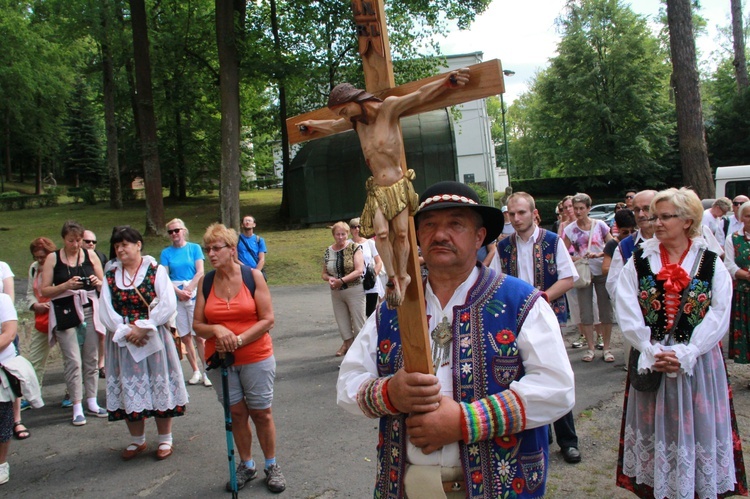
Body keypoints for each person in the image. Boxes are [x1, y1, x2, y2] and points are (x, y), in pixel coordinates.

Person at [337, 181, 575, 498]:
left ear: (479, 236)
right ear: (418, 236)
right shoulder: (393, 308)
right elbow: (347, 383)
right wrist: (391, 392)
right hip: (408, 488)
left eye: (455, 224)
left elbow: (557, 387)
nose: (439, 235)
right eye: (430, 225)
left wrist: (465, 421)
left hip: (499, 488)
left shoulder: (521, 301)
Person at [297, 69, 470, 308]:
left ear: (356, 99)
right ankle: (391, 277)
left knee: (400, 233)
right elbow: (334, 126)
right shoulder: (356, 124)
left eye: (345, 109)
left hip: (398, 184)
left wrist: (447, 83)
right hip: (377, 188)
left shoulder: (388, 109)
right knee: (381, 233)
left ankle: (403, 275)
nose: (345, 115)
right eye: (341, 113)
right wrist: (312, 125)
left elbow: (419, 96)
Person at [614, 187, 747, 498]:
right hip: (653, 357)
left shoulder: (710, 261)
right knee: (656, 428)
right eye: (654, 216)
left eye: (665, 217)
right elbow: (627, 308)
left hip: (697, 362)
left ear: (687, 221)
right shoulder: (640, 260)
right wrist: (650, 348)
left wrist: (689, 350)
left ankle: (695, 486)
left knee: (696, 426)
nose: (655, 222)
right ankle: (661, 485)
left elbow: (719, 312)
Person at [193, 223, 286, 493]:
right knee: (235, 413)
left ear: (232, 250)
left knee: (261, 413)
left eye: (216, 248)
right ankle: (247, 464)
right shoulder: (206, 282)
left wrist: (239, 339)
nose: (211, 254)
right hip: (220, 360)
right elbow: (197, 325)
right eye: (207, 248)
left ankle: (271, 464)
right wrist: (216, 329)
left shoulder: (253, 277)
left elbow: (268, 319)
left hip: (256, 356)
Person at [490, 192, 581, 465]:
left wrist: (540, 300)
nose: (516, 219)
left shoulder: (553, 241)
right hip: (515, 321)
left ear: (534, 213)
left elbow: (568, 277)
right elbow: (496, 280)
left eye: (521, 213)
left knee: (553, 374)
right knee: (522, 376)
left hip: (546, 316)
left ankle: (568, 441)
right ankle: (541, 438)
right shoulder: (504, 247)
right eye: (512, 214)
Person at [98, 226, 188, 461]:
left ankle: (165, 439)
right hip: (123, 339)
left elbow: (167, 302)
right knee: (130, 386)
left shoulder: (155, 271)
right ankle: (137, 440)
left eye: (124, 245)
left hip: (153, 336)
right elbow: (105, 309)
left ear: (138, 245)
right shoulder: (110, 276)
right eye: (117, 246)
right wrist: (126, 330)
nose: (120, 250)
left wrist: (144, 326)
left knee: (159, 385)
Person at [40, 221, 106, 426]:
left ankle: (92, 401)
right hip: (65, 310)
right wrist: (66, 285)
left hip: (89, 309)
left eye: (78, 240)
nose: (76, 245)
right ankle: (77, 404)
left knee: (91, 358)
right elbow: (44, 291)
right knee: (73, 361)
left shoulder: (90, 255)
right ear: (63, 239)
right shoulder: (53, 258)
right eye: (71, 241)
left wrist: (96, 282)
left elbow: (105, 286)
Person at [562, 193, 615, 362]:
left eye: (581, 208)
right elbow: (563, 253)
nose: (578, 212)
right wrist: (578, 258)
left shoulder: (599, 225)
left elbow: (612, 245)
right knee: (585, 311)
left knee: (605, 310)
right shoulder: (570, 229)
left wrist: (599, 253)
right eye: (575, 208)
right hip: (583, 273)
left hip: (601, 270)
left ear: (588, 209)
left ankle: (607, 348)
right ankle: (591, 348)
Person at [160, 218, 209, 387]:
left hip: (193, 293)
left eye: (177, 230)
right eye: (171, 231)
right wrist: (179, 292)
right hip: (177, 295)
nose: (174, 234)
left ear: (184, 230)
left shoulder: (194, 248)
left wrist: (189, 289)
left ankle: (206, 370)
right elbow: (164, 277)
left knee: (199, 337)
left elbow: (200, 271)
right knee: (185, 336)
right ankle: (195, 369)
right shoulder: (166, 253)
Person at [0, 292, 42, 485]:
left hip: (2, 366)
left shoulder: (3, 300)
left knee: (2, 420)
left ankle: (1, 464)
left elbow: (8, 334)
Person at [20, 238, 57, 418]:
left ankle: (70, 393)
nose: (41, 260)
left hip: (58, 317)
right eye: (37, 257)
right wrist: (35, 306)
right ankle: (33, 395)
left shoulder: (57, 265)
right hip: (40, 317)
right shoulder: (34, 268)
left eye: (43, 257)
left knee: (70, 357)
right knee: (35, 359)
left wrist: (51, 303)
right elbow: (29, 293)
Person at [322, 221, 365, 357]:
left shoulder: (355, 248)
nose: (340, 237)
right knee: (343, 324)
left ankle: (363, 354)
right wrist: (329, 278)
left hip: (354, 290)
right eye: (337, 234)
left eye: (343, 234)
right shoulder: (328, 251)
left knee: (359, 324)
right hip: (336, 292)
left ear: (347, 234)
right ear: (333, 235)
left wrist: (342, 281)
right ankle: (351, 355)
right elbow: (323, 273)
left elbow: (359, 270)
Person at [726, 200, 750, 364]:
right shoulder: (733, 239)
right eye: (748, 216)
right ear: (741, 218)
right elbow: (729, 264)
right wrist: (747, 276)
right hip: (744, 294)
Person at [82, 230, 107, 379]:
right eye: (87, 241)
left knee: (101, 333)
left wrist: (99, 283)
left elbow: (104, 280)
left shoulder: (100, 256)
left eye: (93, 241)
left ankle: (101, 364)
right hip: (82, 301)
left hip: (98, 298)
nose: (91, 244)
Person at [350, 217, 383, 317]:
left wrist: (373, 275)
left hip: (370, 283)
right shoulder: (348, 244)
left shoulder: (370, 243)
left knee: (371, 312)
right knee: (359, 313)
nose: (357, 229)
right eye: (354, 227)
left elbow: (379, 262)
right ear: (350, 230)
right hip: (355, 282)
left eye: (359, 226)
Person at [602, 209, 637, 277]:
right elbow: (605, 269)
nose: (629, 235)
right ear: (617, 228)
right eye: (625, 232)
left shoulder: (638, 240)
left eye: (633, 231)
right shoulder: (612, 244)